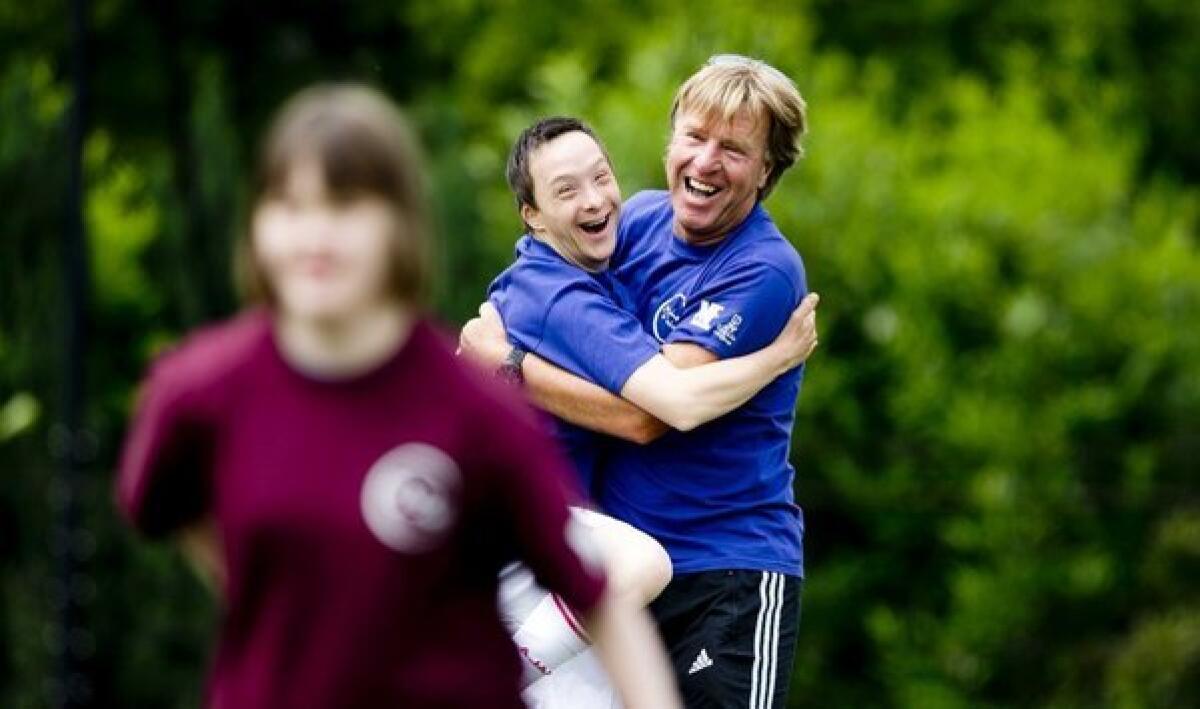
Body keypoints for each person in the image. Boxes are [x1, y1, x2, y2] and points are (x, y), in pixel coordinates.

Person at [114, 83, 681, 709]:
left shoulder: (478, 409)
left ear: (400, 224)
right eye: (290, 205)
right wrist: (278, 594)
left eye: (346, 207)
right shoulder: (198, 393)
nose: (316, 236)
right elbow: (164, 504)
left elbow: (601, 598)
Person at [459, 55, 812, 708]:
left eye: (733, 149)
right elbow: (547, 280)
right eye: (694, 136)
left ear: (767, 170)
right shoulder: (637, 221)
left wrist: (509, 367)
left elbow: (648, 414)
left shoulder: (763, 270)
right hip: (614, 572)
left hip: (725, 573)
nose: (705, 161)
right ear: (670, 139)